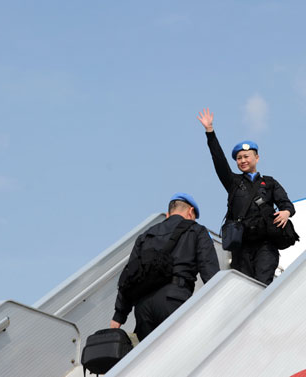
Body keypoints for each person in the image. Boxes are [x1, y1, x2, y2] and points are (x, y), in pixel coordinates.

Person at [197, 108, 295, 285]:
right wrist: (210, 132)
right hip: (241, 246)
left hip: (266, 244)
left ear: (256, 157)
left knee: (262, 283)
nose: (242, 160)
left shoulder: (270, 183)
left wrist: (286, 212)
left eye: (246, 156)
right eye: (239, 158)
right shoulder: (233, 182)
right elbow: (218, 161)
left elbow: (287, 204)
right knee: (242, 286)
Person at [110, 193, 220, 341]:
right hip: (173, 300)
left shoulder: (145, 236)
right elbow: (210, 272)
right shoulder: (197, 231)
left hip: (143, 308)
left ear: (168, 214)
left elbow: (130, 276)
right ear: (190, 211)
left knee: (149, 358)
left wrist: (119, 316)